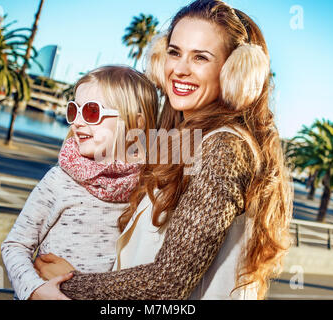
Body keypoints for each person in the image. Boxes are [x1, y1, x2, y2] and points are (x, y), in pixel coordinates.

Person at [34, 0, 293, 300]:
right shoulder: (189, 139)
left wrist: (68, 284)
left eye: (200, 58)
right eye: (174, 52)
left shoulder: (225, 147)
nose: (180, 69)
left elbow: (168, 282)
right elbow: (118, 156)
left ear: (234, 71)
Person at [0, 65, 159, 300]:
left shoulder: (149, 191)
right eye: (74, 111)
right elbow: (15, 245)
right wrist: (35, 290)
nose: (77, 122)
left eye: (92, 112)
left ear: (134, 123)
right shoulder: (59, 180)